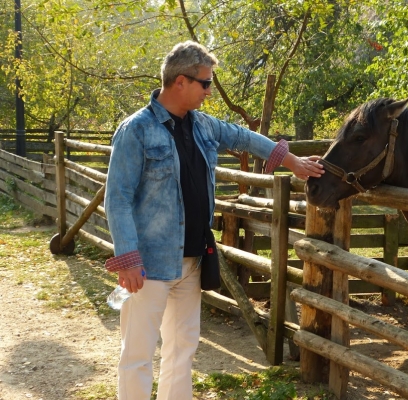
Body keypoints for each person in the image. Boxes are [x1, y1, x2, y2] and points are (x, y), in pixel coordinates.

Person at [104, 40, 324, 400]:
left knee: (182, 348)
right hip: (148, 266)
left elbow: (245, 137)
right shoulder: (136, 130)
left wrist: (293, 163)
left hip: (192, 260)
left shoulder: (203, 126)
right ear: (180, 82)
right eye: (205, 83)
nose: (209, 91)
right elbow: (118, 198)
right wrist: (127, 258)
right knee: (138, 354)